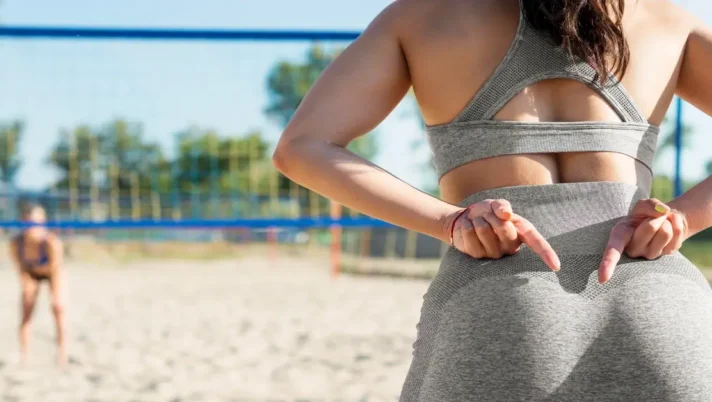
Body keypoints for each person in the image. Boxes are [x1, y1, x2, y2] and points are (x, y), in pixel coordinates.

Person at [273, 0, 712, 399]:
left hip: (497, 303)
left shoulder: (423, 16)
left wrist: (451, 221)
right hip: (663, 309)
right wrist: (681, 220)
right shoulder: (665, 19)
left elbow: (301, 149)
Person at [9, 203, 67, 367]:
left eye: (35, 222)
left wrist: (53, 295)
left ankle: (62, 355)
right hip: (30, 272)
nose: (31, 226)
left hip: (51, 272)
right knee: (27, 307)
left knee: (58, 307)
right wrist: (29, 288)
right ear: (22, 221)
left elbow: (55, 269)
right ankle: (25, 357)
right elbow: (20, 268)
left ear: (43, 222)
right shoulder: (16, 243)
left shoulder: (51, 243)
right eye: (28, 222)